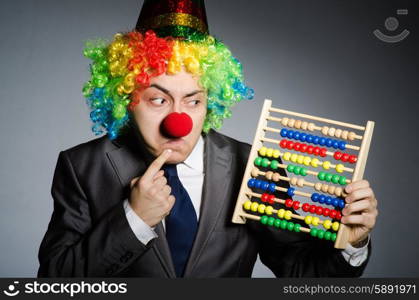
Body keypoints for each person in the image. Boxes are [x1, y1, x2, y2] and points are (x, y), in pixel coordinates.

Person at [38, 0, 378, 277]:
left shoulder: (252, 167)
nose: (178, 121)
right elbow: (55, 281)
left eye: (193, 100)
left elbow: (302, 271)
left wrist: (353, 241)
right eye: (159, 99)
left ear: (210, 101)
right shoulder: (83, 166)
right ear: (126, 99)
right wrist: (134, 219)